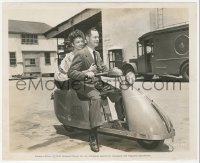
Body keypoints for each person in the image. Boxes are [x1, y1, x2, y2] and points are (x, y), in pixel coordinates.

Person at [68, 27, 124, 152]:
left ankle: (119, 122)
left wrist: (115, 71)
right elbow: (71, 73)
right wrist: (86, 74)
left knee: (119, 92)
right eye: (95, 37)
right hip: (82, 84)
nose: (97, 39)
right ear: (87, 39)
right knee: (96, 97)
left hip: (95, 82)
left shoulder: (97, 53)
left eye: (98, 37)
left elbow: (104, 69)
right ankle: (93, 136)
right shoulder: (81, 54)